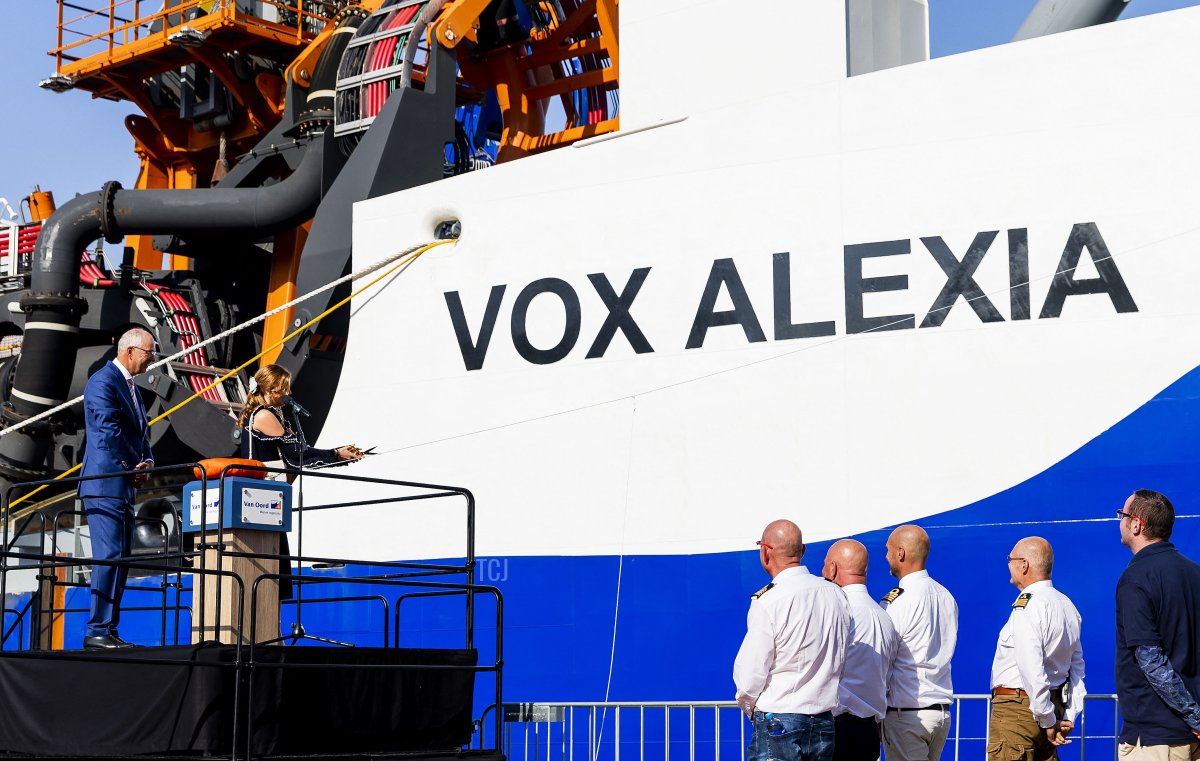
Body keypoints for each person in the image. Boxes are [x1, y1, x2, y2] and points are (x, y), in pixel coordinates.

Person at [734, 519, 851, 761]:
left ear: (766, 552)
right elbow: (844, 651)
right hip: (823, 720)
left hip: (779, 717)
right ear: (803, 551)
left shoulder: (767, 601)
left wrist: (752, 710)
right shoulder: (837, 595)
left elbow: (751, 672)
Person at [79, 327, 157, 650]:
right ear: (129, 351)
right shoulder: (102, 381)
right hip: (104, 483)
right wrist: (133, 466)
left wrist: (149, 462)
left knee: (121, 558)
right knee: (109, 554)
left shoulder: (132, 389)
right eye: (149, 353)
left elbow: (142, 432)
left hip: (123, 486)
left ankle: (108, 629)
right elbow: (108, 430)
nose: (152, 360)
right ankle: (96, 630)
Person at [1115, 489, 1200, 758]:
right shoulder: (1194, 573)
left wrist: (1194, 716)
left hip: (1157, 740)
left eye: (1122, 514)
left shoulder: (1136, 578)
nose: (1120, 521)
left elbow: (1151, 660)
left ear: (1136, 524)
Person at [987, 536, 1086, 760]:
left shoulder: (1027, 605)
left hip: (1018, 713)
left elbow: (1031, 669)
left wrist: (1047, 718)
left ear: (1024, 565)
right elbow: (1077, 669)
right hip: (1051, 709)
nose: (1008, 564)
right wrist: (1067, 715)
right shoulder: (1067, 605)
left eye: (1010, 559)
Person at [880, 524, 958, 761]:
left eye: (889, 550)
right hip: (939, 713)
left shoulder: (898, 602)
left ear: (901, 553)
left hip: (908, 714)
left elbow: (883, 655)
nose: (886, 557)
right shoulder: (946, 596)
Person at [821, 539, 899, 761]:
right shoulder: (884, 616)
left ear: (833, 568)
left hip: (835, 730)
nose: (823, 571)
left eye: (825, 565)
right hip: (869, 732)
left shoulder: (837, 612)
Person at [237, 364, 362, 470]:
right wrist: (336, 454)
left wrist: (336, 454)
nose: (289, 393)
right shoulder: (264, 415)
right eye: (285, 388)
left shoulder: (265, 413)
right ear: (269, 390)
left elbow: (298, 450)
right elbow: (295, 452)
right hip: (258, 485)